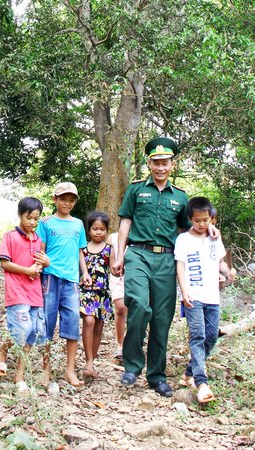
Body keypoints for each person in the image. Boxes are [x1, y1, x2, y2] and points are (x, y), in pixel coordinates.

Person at [112, 136, 219, 397]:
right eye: (156, 162)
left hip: (167, 259)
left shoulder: (181, 197)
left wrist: (211, 229)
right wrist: (119, 254)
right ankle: (132, 366)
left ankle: (156, 375)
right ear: (149, 163)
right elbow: (125, 222)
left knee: (162, 318)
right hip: (138, 254)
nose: (160, 167)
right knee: (138, 304)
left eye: (165, 162)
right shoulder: (136, 190)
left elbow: (190, 228)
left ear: (173, 165)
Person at [175, 196, 236, 403]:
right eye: (197, 220)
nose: (201, 224)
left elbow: (220, 263)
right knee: (198, 336)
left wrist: (229, 272)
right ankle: (201, 382)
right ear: (190, 219)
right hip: (193, 295)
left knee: (211, 336)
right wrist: (184, 292)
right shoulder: (183, 239)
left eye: (205, 220)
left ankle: (189, 372)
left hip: (213, 296)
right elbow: (180, 266)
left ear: (212, 219)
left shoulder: (214, 238)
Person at [35, 182, 92, 388]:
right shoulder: (46, 223)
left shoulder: (77, 224)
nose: (67, 202)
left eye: (71, 199)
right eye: (63, 199)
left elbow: (80, 251)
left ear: (75, 201)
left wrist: (84, 272)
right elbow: (40, 249)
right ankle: (46, 368)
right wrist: (37, 269)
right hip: (50, 277)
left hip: (71, 280)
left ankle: (69, 370)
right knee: (47, 323)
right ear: (55, 200)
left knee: (71, 325)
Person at [0, 197, 50, 393]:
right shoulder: (10, 237)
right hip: (17, 290)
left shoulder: (38, 240)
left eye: (36, 218)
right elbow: (5, 263)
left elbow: (39, 263)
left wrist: (45, 263)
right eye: (29, 217)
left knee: (33, 332)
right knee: (22, 328)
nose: (32, 222)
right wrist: (27, 271)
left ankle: (20, 375)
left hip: (35, 293)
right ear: (20, 215)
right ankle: (3, 350)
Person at [80, 211, 115, 377]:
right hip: (87, 291)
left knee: (99, 326)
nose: (98, 232)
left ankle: (91, 361)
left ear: (107, 230)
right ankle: (88, 360)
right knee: (88, 321)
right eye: (95, 229)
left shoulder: (109, 249)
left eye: (102, 229)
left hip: (103, 294)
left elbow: (115, 269)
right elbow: (80, 268)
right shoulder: (83, 249)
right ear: (89, 230)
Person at [108, 231, 127, 362]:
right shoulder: (112, 238)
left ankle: (130, 343)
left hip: (137, 276)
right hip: (117, 277)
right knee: (120, 309)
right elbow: (108, 258)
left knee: (136, 311)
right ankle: (120, 345)